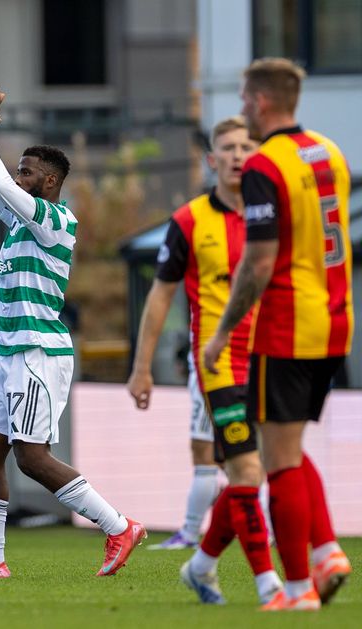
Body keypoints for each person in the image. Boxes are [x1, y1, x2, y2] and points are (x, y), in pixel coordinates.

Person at [0, 76, 145, 579]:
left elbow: (2, 186)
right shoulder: (16, 221)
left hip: (39, 352)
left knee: (31, 458)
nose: (18, 175)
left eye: (26, 170)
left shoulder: (55, 220)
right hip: (8, 353)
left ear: (48, 182)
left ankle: (119, 526)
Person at [203, 58, 353, 611]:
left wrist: (222, 333)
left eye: (245, 97)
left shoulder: (267, 165)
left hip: (288, 323)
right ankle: (328, 552)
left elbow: (260, 263)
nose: (241, 106)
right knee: (288, 444)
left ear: (263, 101)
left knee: (279, 459)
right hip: (335, 319)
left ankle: (297, 591)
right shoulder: (328, 151)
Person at [127, 117, 282, 604]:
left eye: (245, 147)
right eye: (228, 148)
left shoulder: (272, 216)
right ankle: (269, 584)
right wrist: (141, 365)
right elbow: (159, 297)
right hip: (218, 365)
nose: (237, 155)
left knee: (261, 474)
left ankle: (200, 564)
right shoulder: (190, 220)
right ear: (213, 160)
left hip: (273, 359)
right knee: (245, 473)